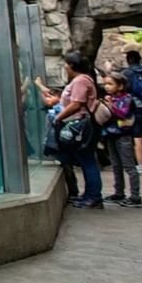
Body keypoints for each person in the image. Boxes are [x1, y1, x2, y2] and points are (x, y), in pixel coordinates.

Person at [53, 51, 102, 209]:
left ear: (72, 65)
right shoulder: (81, 79)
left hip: (82, 125)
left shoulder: (81, 81)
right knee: (86, 160)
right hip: (81, 124)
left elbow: (76, 103)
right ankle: (89, 195)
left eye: (66, 64)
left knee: (87, 160)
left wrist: (58, 117)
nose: (65, 66)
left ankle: (94, 197)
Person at [100, 72, 142, 208]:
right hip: (111, 134)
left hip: (123, 135)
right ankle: (119, 192)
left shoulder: (127, 99)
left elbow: (122, 114)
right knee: (116, 166)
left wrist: (110, 105)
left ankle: (135, 196)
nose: (106, 87)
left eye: (110, 84)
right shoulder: (111, 98)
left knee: (129, 166)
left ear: (120, 86)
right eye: (105, 84)